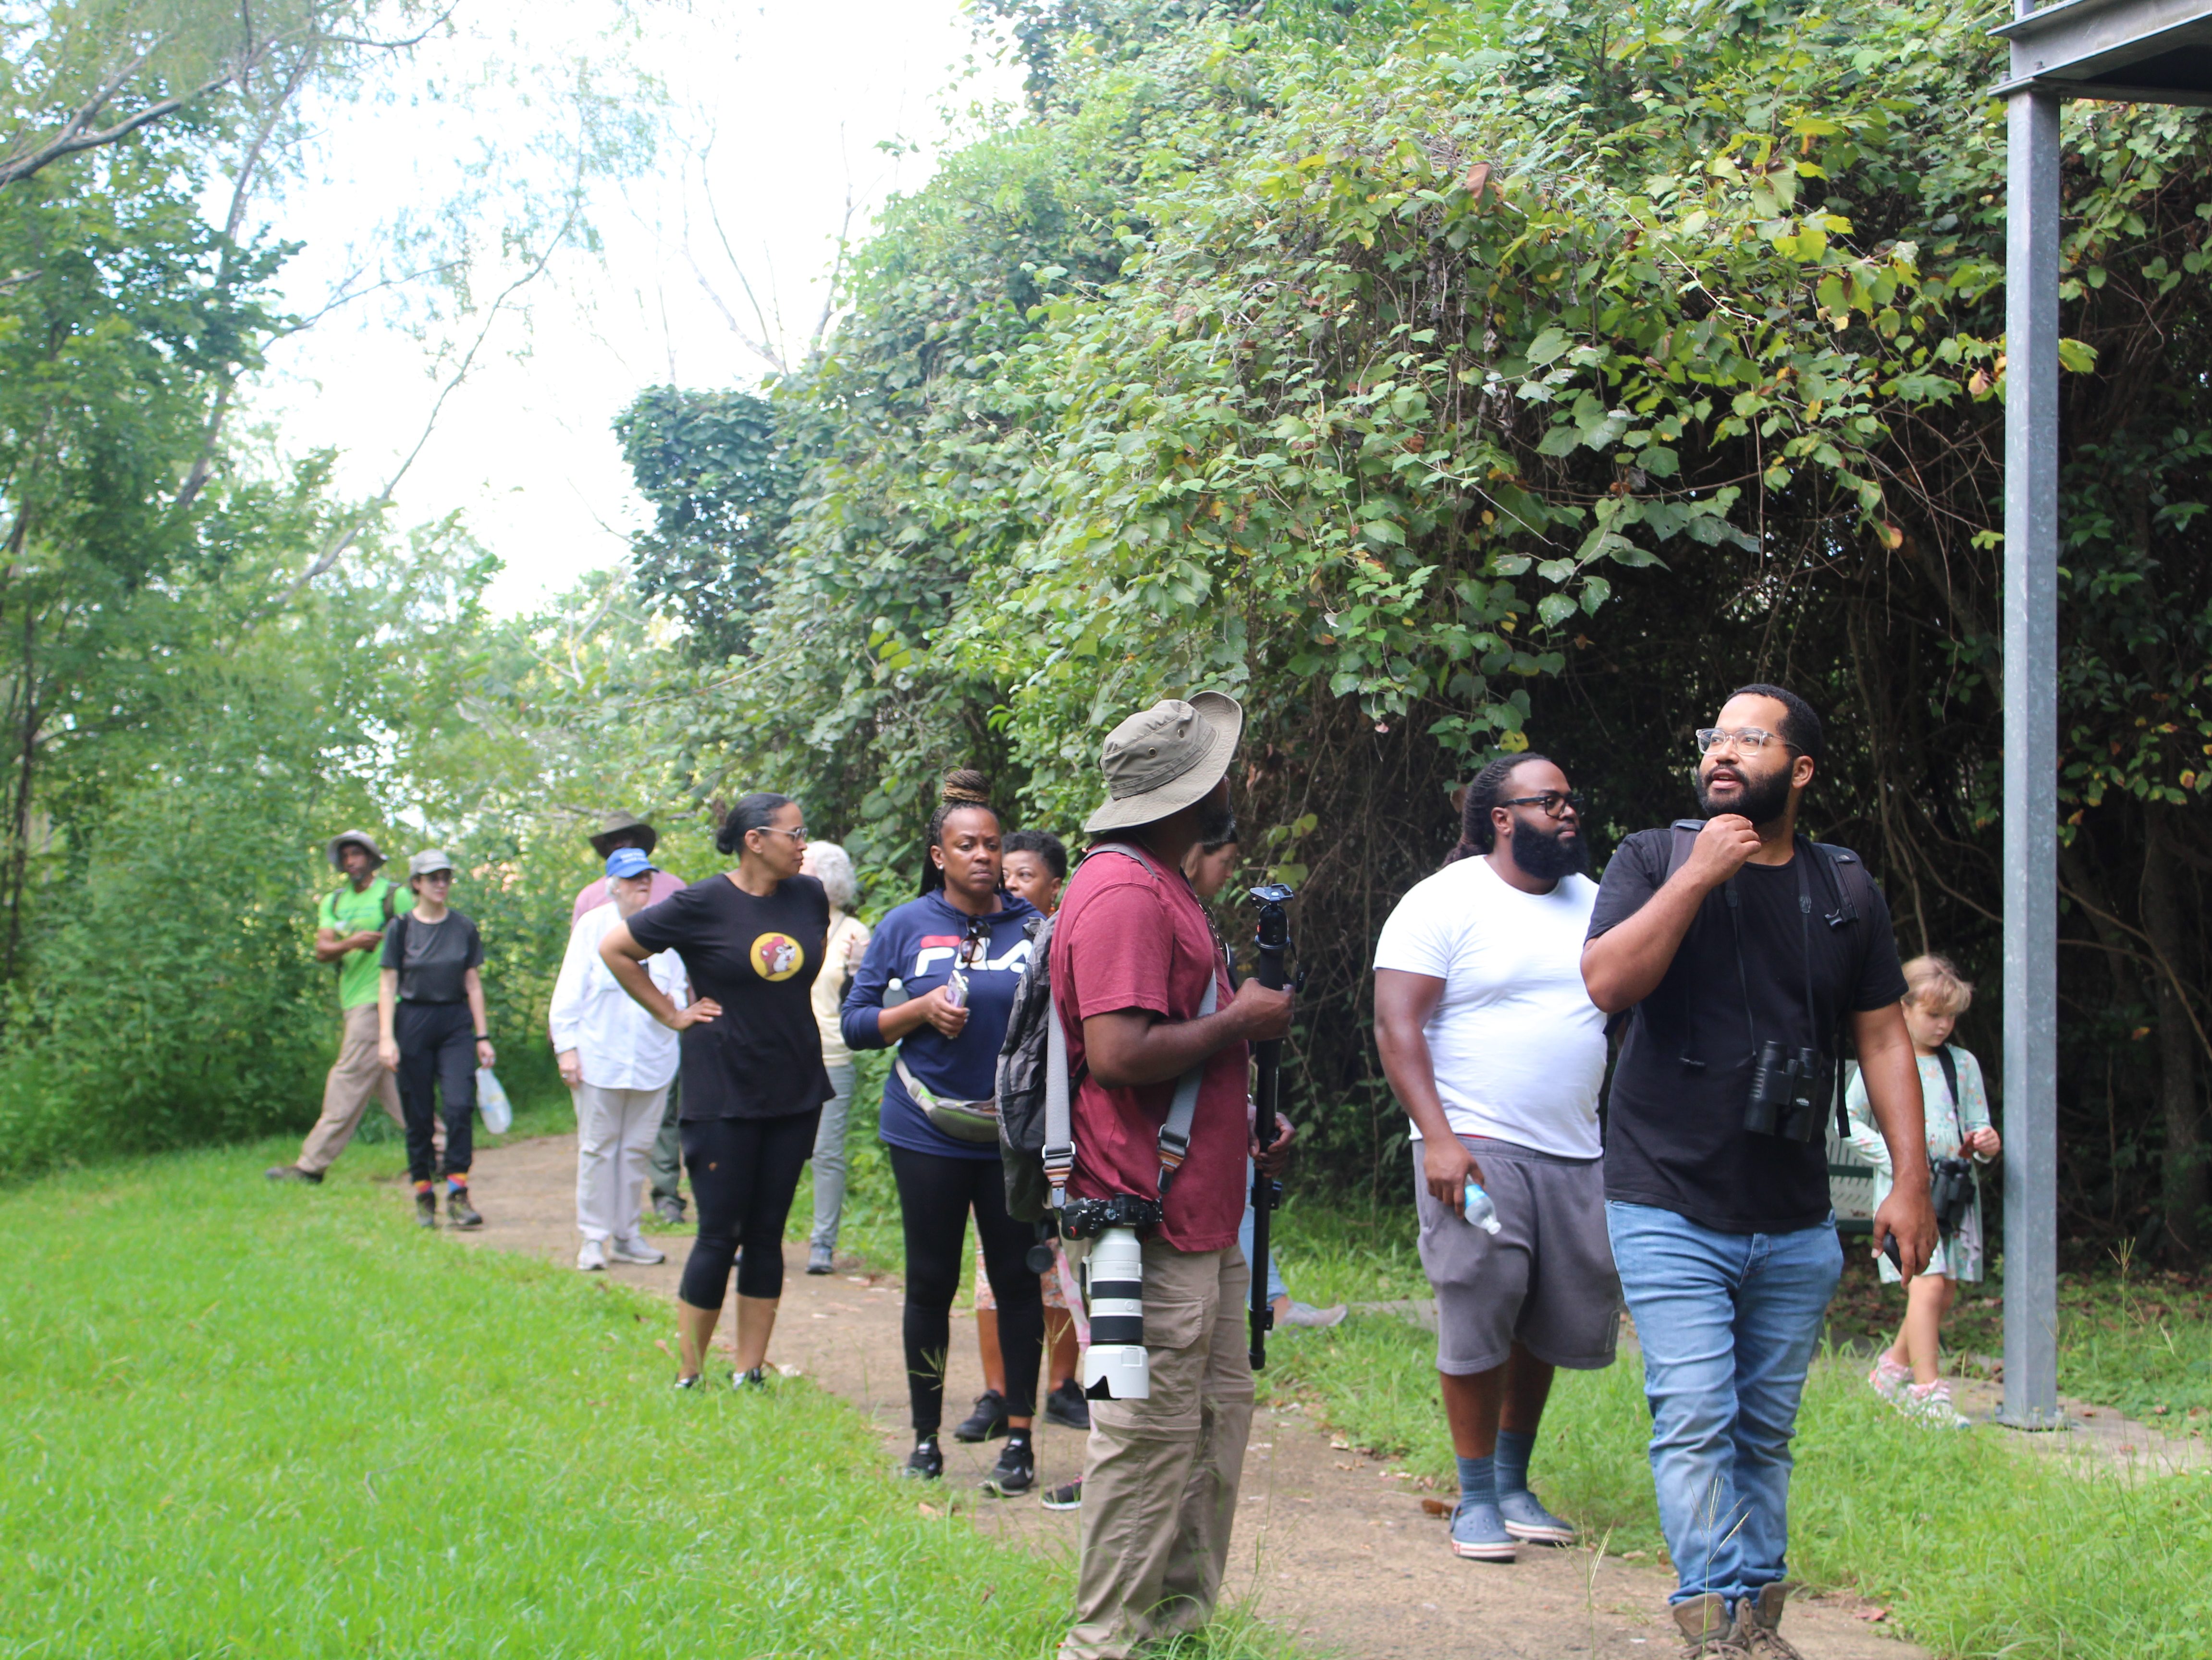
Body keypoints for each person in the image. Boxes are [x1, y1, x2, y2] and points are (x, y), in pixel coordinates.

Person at [1580, 684, 1938, 1659]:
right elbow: (1607, 982)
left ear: (1800, 769)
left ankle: (1756, 1617)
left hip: (1791, 1212)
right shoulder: (1652, 858)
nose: (1722, 752)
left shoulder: (1844, 889)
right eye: (1715, 738)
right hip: (1665, 1196)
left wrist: (1909, 1180)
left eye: (1750, 738)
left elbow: (1882, 1039)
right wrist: (1698, 876)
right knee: (1696, 1413)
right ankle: (1713, 1620)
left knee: (1763, 1429)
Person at [1053, 691, 1295, 1660]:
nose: (1230, 787)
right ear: (1188, 795)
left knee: (1210, 1431)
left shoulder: (1165, 887)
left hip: (1198, 1219)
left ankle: (1175, 1636)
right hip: (1138, 1227)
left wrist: (1247, 1119)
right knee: (1144, 1440)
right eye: (1217, 774)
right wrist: (1241, 1021)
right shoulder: (1122, 894)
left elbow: (1177, 1056)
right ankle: (1102, 1645)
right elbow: (1117, 1053)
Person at [1373, 755, 1617, 1564]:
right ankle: (1474, 1495)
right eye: (1548, 801)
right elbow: (1397, 1025)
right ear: (1502, 818)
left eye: (1569, 798)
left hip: (1574, 1145)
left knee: (1544, 1313)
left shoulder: (1596, 903)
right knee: (1480, 1299)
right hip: (1473, 1141)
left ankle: (1513, 1483)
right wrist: (1438, 1138)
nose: (1567, 811)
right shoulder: (1443, 900)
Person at [841, 772, 1047, 1496]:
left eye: (992, 844)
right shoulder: (905, 926)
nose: (983, 856)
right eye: (966, 846)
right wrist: (919, 1009)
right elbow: (856, 1024)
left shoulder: (1034, 927)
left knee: (1018, 1284)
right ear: (939, 855)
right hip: (925, 1128)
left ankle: (1019, 1440)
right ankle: (925, 1440)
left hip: (1009, 1135)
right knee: (930, 1283)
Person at [599, 793, 832, 1390]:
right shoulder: (701, 902)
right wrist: (671, 1013)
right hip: (722, 1088)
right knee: (718, 1231)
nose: (802, 844)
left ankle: (749, 1370)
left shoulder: (808, 895)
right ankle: (690, 1372)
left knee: (767, 1232)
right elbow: (616, 950)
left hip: (794, 1086)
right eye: (793, 833)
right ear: (755, 840)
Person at [1185, 832, 1344, 1334]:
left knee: (1250, 1180)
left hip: (1218, 1112)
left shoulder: (1210, 934)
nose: (1231, 874)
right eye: (1226, 861)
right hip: (1174, 1137)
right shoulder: (1166, 923)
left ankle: (1272, 1300)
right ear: (1195, 853)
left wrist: (1247, 1109)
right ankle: (1273, 1301)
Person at [968, 827, 1088, 1440]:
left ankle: (1063, 1386)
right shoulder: (977, 937)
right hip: (997, 1127)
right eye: (1006, 874)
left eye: (1025, 875)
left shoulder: (1069, 939)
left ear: (1055, 887)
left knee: (1060, 1266)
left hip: (1061, 1122)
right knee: (994, 1270)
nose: (1011, 884)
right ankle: (997, 1392)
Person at [1849, 953, 1998, 1428]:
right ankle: (1928, 1394)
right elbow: (1850, 1122)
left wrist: (1985, 1144)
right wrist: (1898, 1161)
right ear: (1904, 1008)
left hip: (1953, 1196)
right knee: (1927, 1285)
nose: (1943, 1026)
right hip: (1906, 1194)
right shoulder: (1883, 1059)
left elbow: (1978, 1126)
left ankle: (1889, 1373)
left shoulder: (1962, 1064)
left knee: (1943, 1290)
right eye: (1933, 1015)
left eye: (1950, 1017)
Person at [550, 847, 687, 1272]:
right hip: (599, 1059)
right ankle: (594, 1237)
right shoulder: (593, 927)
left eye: (647, 876)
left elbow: (679, 991)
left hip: (653, 1060)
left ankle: (627, 1235)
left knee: (637, 1151)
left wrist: (673, 1006)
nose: (642, 883)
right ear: (613, 887)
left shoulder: (665, 929)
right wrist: (566, 1049)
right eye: (632, 878)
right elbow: (569, 991)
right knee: (598, 1149)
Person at [268, 831, 429, 1184]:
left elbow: (422, 940)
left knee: (347, 1079)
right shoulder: (334, 902)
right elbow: (322, 950)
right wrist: (353, 942)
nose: (351, 861)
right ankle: (442, 1151)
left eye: (357, 854)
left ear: (371, 859)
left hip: (381, 1001)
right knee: (397, 1089)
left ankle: (311, 1166)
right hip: (353, 999)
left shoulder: (394, 896)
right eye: (346, 856)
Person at [573, 811, 689, 1226]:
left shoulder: (674, 892)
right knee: (601, 1141)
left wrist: (683, 1012)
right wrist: (566, 1043)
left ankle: (661, 1199)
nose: (621, 847)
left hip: (659, 1034)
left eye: (629, 840)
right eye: (614, 842)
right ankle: (597, 1232)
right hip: (603, 1040)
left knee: (656, 1125)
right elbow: (576, 976)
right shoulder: (591, 903)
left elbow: (685, 966)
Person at [377, 850, 495, 1230]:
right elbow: (388, 984)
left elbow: (473, 984)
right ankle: (424, 1195)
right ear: (417, 884)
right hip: (413, 1021)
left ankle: (459, 1193)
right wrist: (386, 1038)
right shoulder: (401, 928)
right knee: (418, 1113)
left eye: (446, 877)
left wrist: (482, 1035)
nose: (441, 884)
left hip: (455, 1022)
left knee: (459, 1106)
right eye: (433, 878)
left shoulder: (463, 927)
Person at [800, 840, 873, 1275]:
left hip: (832, 1056)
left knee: (826, 1153)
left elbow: (864, 1000)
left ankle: (822, 1244)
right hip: (782, 1055)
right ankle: (755, 1237)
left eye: (805, 865)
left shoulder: (854, 932)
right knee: (773, 1151)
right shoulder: (784, 920)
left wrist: (855, 972)